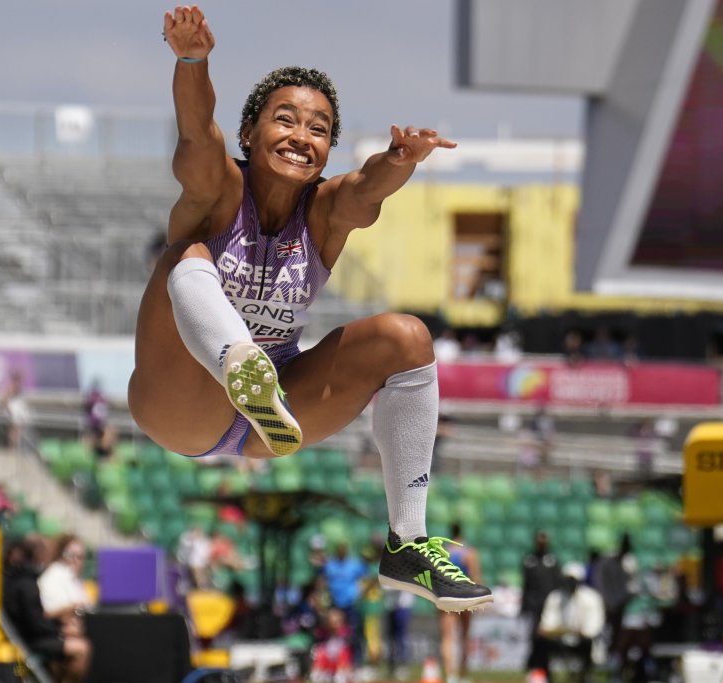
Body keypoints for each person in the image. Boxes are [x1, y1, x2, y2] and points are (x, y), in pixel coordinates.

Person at [127, 4, 491, 612]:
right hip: (181, 404)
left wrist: (400, 160)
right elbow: (195, 133)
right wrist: (192, 61)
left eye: (319, 129)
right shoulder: (218, 187)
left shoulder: (323, 212)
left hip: (278, 409)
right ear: (249, 134)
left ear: (327, 149)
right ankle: (238, 363)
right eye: (285, 119)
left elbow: (366, 188)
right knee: (182, 257)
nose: (301, 136)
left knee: (406, 337)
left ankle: (407, 543)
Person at [3, 537, 92, 683]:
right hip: (28, 641)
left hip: (33, 636)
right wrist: (60, 632)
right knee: (82, 650)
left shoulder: (25, 579)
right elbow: (34, 623)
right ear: (38, 554)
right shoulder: (26, 584)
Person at [538, 562, 606, 683]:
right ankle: (546, 677)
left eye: (573, 580)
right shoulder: (555, 597)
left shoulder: (591, 597)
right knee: (542, 644)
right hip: (560, 641)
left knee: (587, 645)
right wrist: (564, 632)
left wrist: (577, 632)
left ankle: (585, 676)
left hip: (583, 643)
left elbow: (592, 629)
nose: (570, 583)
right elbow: (546, 626)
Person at [438, 523, 481, 683]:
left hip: (448, 596)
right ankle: (463, 674)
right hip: (465, 596)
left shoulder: (444, 552)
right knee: (465, 636)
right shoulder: (469, 552)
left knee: (447, 637)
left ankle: (451, 675)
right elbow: (475, 576)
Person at [521, 531, 563, 675]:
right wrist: (525, 604)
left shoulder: (552, 560)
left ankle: (545, 664)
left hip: (549, 605)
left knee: (547, 635)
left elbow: (557, 583)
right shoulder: (529, 560)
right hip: (534, 604)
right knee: (535, 635)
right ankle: (535, 665)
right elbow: (526, 584)